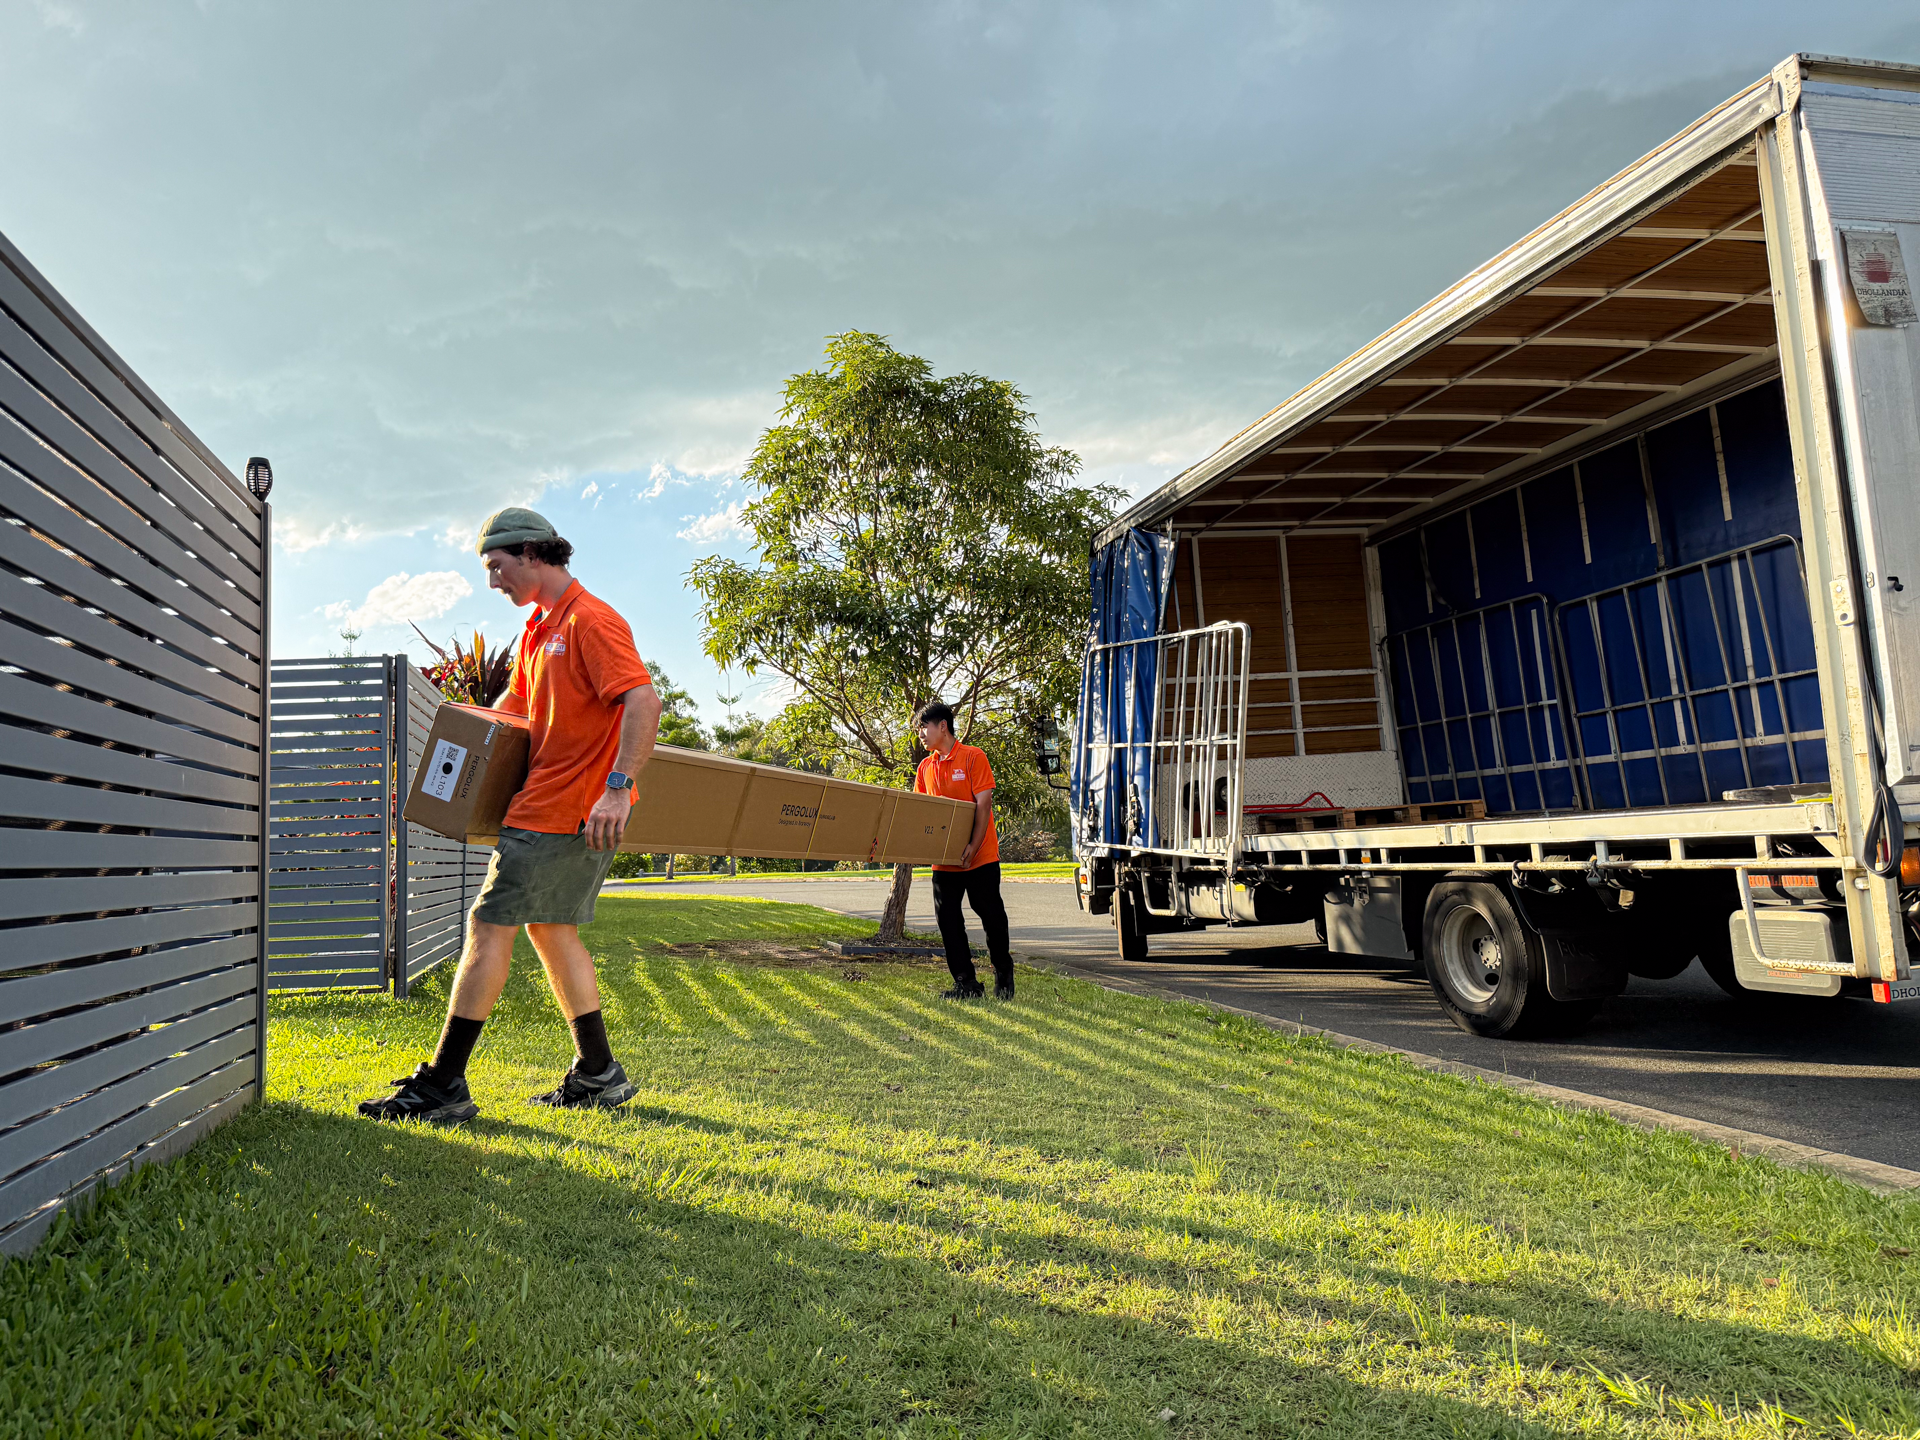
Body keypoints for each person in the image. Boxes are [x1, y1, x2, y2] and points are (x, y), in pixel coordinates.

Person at [360, 506, 663, 1125]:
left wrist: (617, 787)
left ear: (531, 553)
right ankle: (599, 1073)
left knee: (487, 926)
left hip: (567, 807)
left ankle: (444, 1083)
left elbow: (643, 700)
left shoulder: (590, 620)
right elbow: (510, 712)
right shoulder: (537, 631)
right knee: (551, 930)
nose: (493, 581)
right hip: (549, 805)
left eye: (496, 567)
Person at [912, 700, 1014, 1000]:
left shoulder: (973, 757)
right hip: (944, 863)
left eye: (924, 727)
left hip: (980, 857)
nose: (921, 733)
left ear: (942, 726)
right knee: (948, 920)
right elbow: (922, 813)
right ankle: (966, 983)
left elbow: (983, 804)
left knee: (991, 915)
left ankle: (1003, 971)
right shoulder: (925, 767)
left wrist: (973, 845)